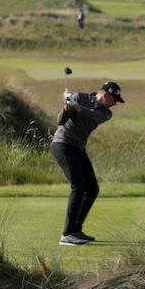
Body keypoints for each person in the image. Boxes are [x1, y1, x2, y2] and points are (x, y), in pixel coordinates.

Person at [51, 81, 124, 246]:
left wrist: (76, 106)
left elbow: (91, 115)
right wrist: (67, 106)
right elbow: (60, 121)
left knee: (92, 189)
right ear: (106, 94)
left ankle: (76, 230)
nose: (114, 104)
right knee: (78, 186)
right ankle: (68, 234)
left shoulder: (105, 113)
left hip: (77, 148)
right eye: (115, 100)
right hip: (62, 144)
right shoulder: (79, 97)